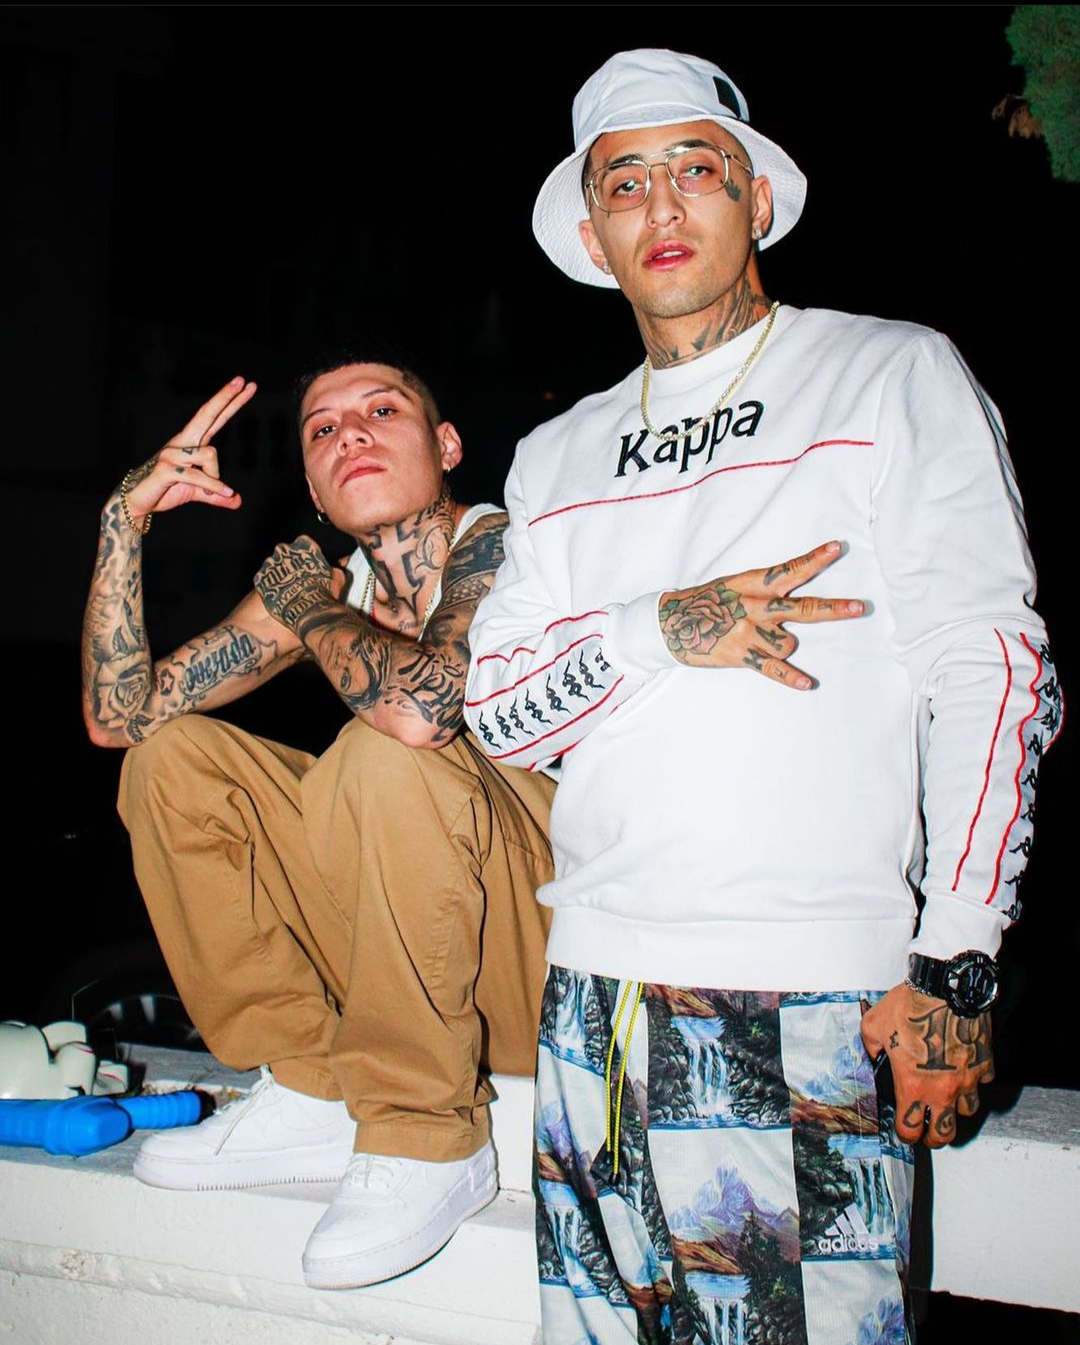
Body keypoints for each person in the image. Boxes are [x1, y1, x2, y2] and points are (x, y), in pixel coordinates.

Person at [464, 49, 1061, 1345]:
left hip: (802, 997)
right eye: (627, 182)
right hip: (589, 1006)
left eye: (699, 169)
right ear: (592, 233)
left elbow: (991, 663)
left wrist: (958, 959)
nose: (664, 205)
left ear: (761, 201)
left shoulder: (888, 373)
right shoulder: (557, 454)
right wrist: (660, 628)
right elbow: (499, 711)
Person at [79, 354, 558, 1289]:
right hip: (422, 963)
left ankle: (428, 1131)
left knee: (383, 749)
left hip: (543, 960)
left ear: (447, 445)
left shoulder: (508, 544)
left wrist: (306, 607)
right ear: (312, 485)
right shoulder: (335, 588)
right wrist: (121, 519)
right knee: (172, 761)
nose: (353, 435)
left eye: (383, 410)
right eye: (324, 428)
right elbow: (118, 716)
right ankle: (312, 1084)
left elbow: (423, 708)